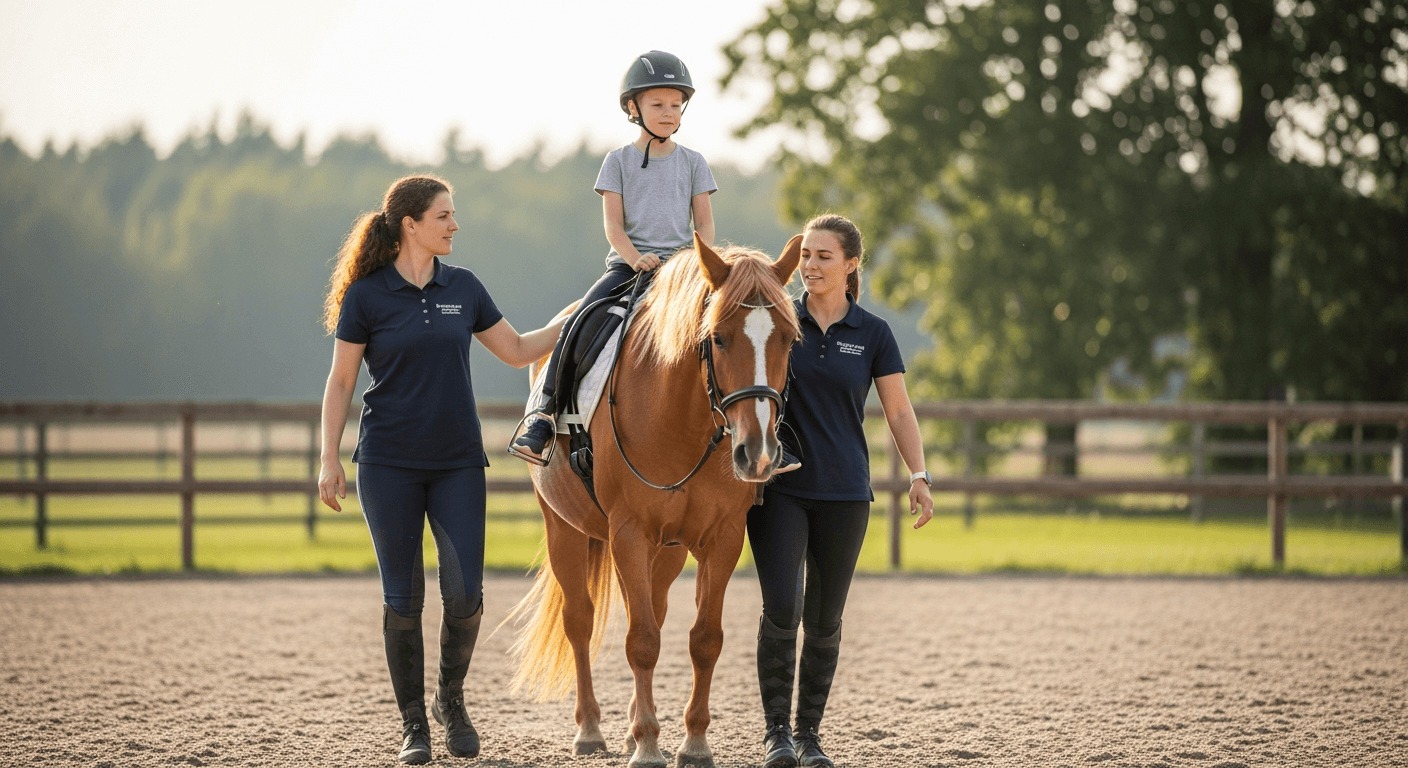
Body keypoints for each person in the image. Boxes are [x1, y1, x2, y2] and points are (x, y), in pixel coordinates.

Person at [317, 174, 563, 765]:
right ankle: (413, 727)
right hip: (387, 464)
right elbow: (342, 381)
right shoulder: (367, 297)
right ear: (411, 225)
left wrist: (580, 317)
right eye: (444, 216)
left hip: (457, 461)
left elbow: (519, 350)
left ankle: (450, 700)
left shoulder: (465, 288)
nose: (455, 225)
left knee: (465, 595)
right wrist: (327, 457)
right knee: (403, 598)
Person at [747, 214, 936, 768]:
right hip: (780, 489)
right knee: (782, 608)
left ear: (851, 264)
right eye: (805, 255)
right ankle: (776, 735)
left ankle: (809, 737)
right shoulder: (779, 320)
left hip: (846, 493)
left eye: (823, 257)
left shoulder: (873, 333)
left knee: (825, 620)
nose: (809, 266)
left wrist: (919, 475)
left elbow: (898, 410)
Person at [507, 49, 721, 463]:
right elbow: (613, 226)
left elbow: (705, 225)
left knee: (742, 324)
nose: (668, 112)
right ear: (632, 107)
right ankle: (544, 415)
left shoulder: (694, 163)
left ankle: (771, 430)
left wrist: (697, 261)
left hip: (683, 272)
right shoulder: (617, 162)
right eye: (657, 104)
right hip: (628, 267)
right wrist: (635, 257)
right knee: (579, 323)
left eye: (675, 105)